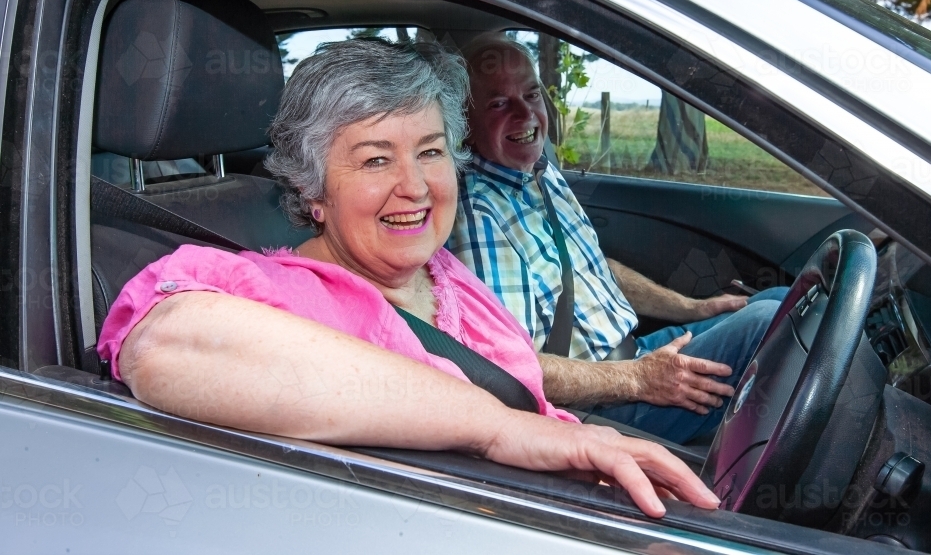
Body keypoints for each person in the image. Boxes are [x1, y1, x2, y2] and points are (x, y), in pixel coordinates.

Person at [96, 38, 721, 518]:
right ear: (315, 189)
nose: (416, 187)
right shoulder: (285, 292)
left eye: (429, 150)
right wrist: (503, 429)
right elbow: (164, 344)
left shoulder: (441, 271)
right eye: (374, 159)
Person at [448, 34, 788, 445]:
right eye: (499, 103)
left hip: (634, 356)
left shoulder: (538, 173)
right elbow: (510, 369)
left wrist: (694, 309)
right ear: (464, 123)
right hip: (594, 407)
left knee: (781, 300)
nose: (525, 114)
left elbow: (591, 268)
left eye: (531, 94)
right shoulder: (477, 214)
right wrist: (636, 380)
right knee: (766, 324)